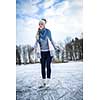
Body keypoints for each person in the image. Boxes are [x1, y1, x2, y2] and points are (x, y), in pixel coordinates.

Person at [32, 19, 59, 88]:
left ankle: (48, 81)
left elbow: (52, 40)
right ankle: (44, 82)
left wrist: (56, 48)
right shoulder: (38, 33)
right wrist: (33, 48)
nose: (40, 25)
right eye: (39, 24)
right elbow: (37, 42)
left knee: (48, 65)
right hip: (42, 52)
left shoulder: (48, 32)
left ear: (44, 25)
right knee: (43, 67)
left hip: (49, 52)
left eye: (42, 24)